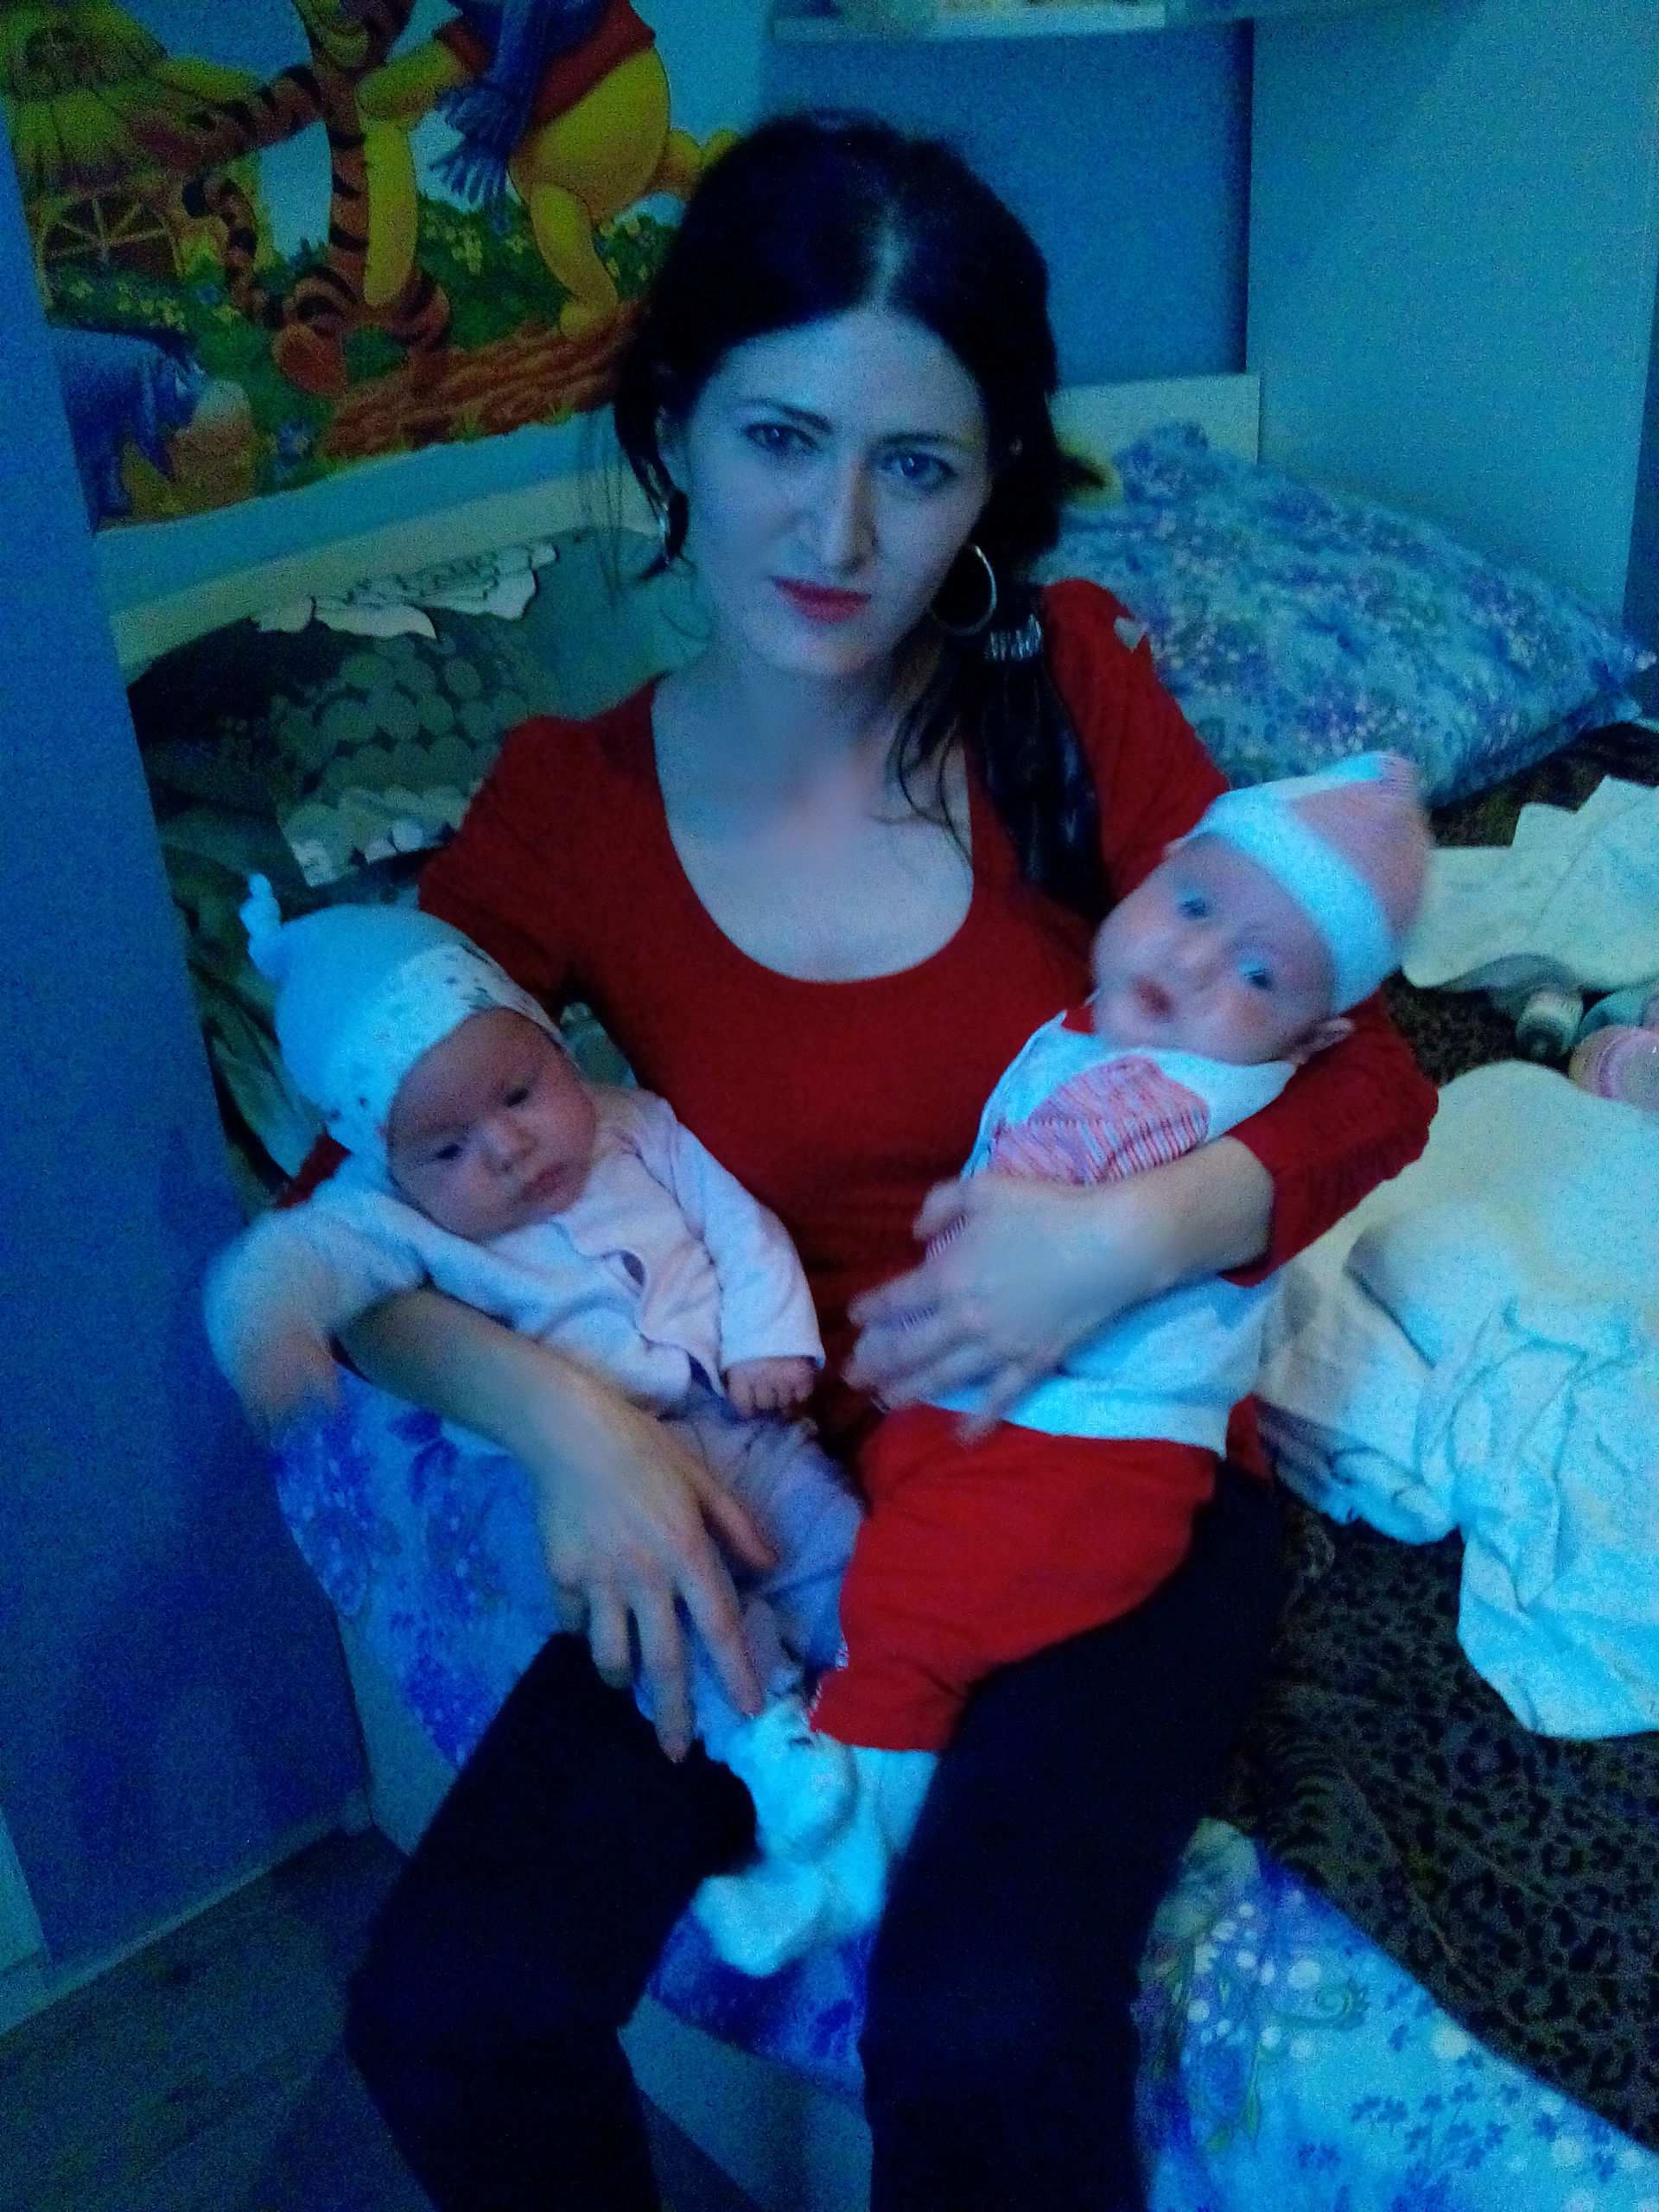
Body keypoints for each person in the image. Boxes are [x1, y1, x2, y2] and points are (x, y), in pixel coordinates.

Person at [301, 112, 1438, 2212]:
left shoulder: (1066, 693)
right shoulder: (564, 806)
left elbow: (1368, 1073)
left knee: (984, 2024)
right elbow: (339, 1216)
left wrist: (1120, 1241)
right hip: (771, 1476)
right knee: (449, 1998)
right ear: (673, 424)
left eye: (914, 465)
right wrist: (566, 1424)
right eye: (778, 439)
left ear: (989, 486)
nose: (835, 530)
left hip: (1102, 1455)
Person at [690, 752, 1432, 1974]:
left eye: (1260, 976)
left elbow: (1385, 1099)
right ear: (1157, 870)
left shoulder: (1181, 1095)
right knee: (885, 1575)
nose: (1199, 962)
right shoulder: (1100, 1029)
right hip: (978, 1410)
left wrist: (1119, 1237)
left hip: (1096, 1453)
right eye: (1192, 906)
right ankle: (840, 1766)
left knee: (915, 1610)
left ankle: (846, 1851)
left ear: (1316, 1036)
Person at [204, 883, 861, 1773]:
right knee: (676, 1620)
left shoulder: (635, 1123)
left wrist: (764, 1337)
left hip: (742, 1425)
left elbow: (737, 1225)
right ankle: (777, 1752)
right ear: (388, 1163)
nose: (508, 1147)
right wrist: (268, 1322)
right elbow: (295, 1255)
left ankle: (884, 1686)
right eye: (448, 1149)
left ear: (553, 1043)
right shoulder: (388, 1215)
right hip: (578, 1482)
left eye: (520, 1093)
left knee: (836, 1547)